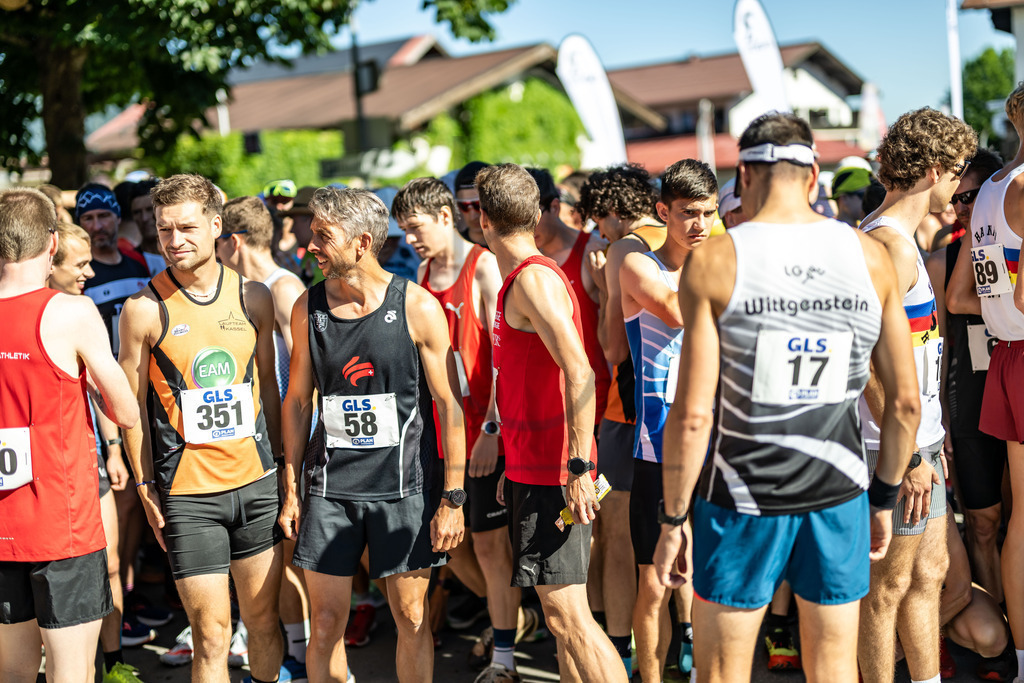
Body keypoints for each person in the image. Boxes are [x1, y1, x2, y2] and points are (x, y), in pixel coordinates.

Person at [653, 112, 922, 683]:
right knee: (831, 668)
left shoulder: (718, 259)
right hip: (839, 491)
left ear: (743, 175)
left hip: (740, 497)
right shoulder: (870, 256)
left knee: (723, 670)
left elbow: (694, 413)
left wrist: (674, 517)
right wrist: (883, 496)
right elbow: (904, 404)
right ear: (813, 175)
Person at [278, 186, 466, 683]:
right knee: (325, 624)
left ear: (362, 242)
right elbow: (298, 401)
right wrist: (291, 486)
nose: (310, 245)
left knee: (411, 617)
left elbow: (450, 406)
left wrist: (453, 497)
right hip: (330, 490)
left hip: (403, 488)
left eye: (324, 236)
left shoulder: (417, 306)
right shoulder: (308, 307)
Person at [118, 173, 287, 683]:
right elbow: (131, 408)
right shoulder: (142, 310)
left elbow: (270, 394)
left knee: (261, 623)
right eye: (165, 230)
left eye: (187, 228)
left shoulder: (254, 297)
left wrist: (282, 469)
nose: (174, 241)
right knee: (211, 635)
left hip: (256, 485)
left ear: (217, 226)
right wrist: (146, 486)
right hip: (190, 496)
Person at [479, 163, 625, 683]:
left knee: (570, 618)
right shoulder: (524, 278)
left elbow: (581, 370)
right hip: (532, 469)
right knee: (563, 623)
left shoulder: (533, 280)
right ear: (537, 213)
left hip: (556, 475)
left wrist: (578, 464)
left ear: (483, 220)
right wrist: (513, 466)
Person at [393, 177, 538, 683]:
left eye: (416, 228)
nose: (410, 239)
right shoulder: (424, 272)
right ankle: (515, 616)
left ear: (445, 216)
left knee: (491, 548)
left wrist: (492, 430)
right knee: (445, 547)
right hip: (435, 432)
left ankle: (504, 659)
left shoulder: (482, 269)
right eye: (405, 231)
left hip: (482, 431)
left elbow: (504, 361)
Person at [856, 107, 977, 683]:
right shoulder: (889, 246)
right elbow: (867, 371)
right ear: (931, 171)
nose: (959, 183)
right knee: (887, 590)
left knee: (929, 574)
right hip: (890, 447)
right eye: (957, 171)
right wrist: (903, 458)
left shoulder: (899, 239)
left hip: (917, 441)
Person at [0, 188, 139, 683]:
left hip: (4, 525)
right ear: (52, 243)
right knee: (73, 671)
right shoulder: (69, 312)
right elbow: (124, 409)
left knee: (12, 669)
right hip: (63, 522)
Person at [620, 158, 717, 683]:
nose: (700, 224)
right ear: (663, 212)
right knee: (654, 582)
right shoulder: (640, 266)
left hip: (714, 443)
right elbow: (682, 312)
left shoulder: (718, 264)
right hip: (658, 447)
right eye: (687, 213)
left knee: (708, 577)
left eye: (708, 212)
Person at [947, 82, 1024, 683]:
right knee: (1000, 519)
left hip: (1004, 360)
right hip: (998, 371)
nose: (960, 205)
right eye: (958, 197)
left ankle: (1015, 649)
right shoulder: (1010, 191)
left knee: (1016, 517)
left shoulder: (997, 196)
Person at [217, 195, 311, 677]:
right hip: (260, 437)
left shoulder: (283, 284)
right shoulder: (243, 287)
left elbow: (302, 372)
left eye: (217, 243)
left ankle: (303, 651)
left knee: (293, 552)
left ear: (233, 241)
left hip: (287, 441)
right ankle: (295, 650)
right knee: (282, 554)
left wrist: (292, 446)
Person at [579, 164, 666, 673]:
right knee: (679, 533)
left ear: (612, 212)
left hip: (628, 410)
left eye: (598, 221)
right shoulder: (684, 234)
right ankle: (687, 646)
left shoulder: (621, 250)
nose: (598, 232)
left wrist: (601, 288)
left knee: (615, 533)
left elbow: (613, 348)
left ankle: (619, 650)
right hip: (684, 407)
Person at [928, 148, 1006, 603]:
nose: (963, 208)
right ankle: (998, 625)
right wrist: (938, 415)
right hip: (971, 396)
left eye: (973, 196)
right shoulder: (942, 260)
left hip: (1012, 384)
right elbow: (935, 348)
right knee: (982, 521)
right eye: (957, 200)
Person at [528, 167, 609, 431]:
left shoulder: (593, 250)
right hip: (545, 410)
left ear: (553, 207)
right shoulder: (522, 260)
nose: (528, 229)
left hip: (592, 406)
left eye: (535, 217)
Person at [76, 183, 152, 353]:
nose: (97, 226)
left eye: (103, 216)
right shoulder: (79, 273)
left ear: (118, 217)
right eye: (88, 218)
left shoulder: (138, 261)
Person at [455, 162, 491, 246]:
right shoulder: (455, 248)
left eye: (478, 205)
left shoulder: (509, 246)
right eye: (464, 206)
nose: (473, 215)